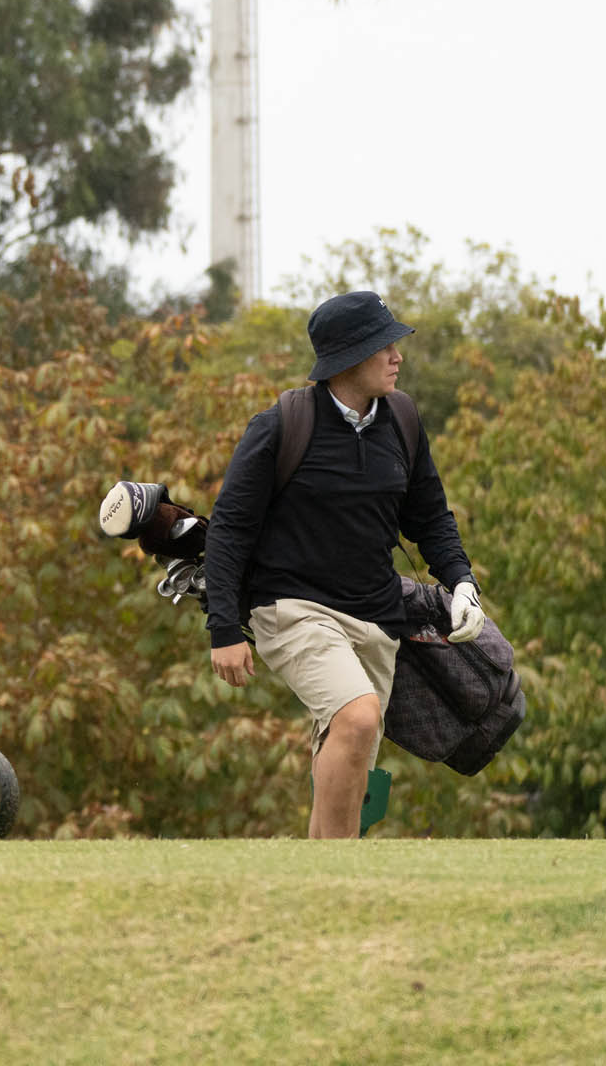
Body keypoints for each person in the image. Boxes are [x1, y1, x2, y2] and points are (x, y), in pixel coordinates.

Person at [201, 291, 487, 838]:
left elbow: (430, 516)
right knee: (357, 717)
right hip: (293, 610)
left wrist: (462, 582)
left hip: (378, 619)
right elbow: (229, 530)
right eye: (385, 346)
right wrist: (223, 630)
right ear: (349, 358)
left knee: (350, 763)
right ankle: (336, 872)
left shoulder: (402, 419)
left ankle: (325, 875)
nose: (398, 356)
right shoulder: (281, 425)